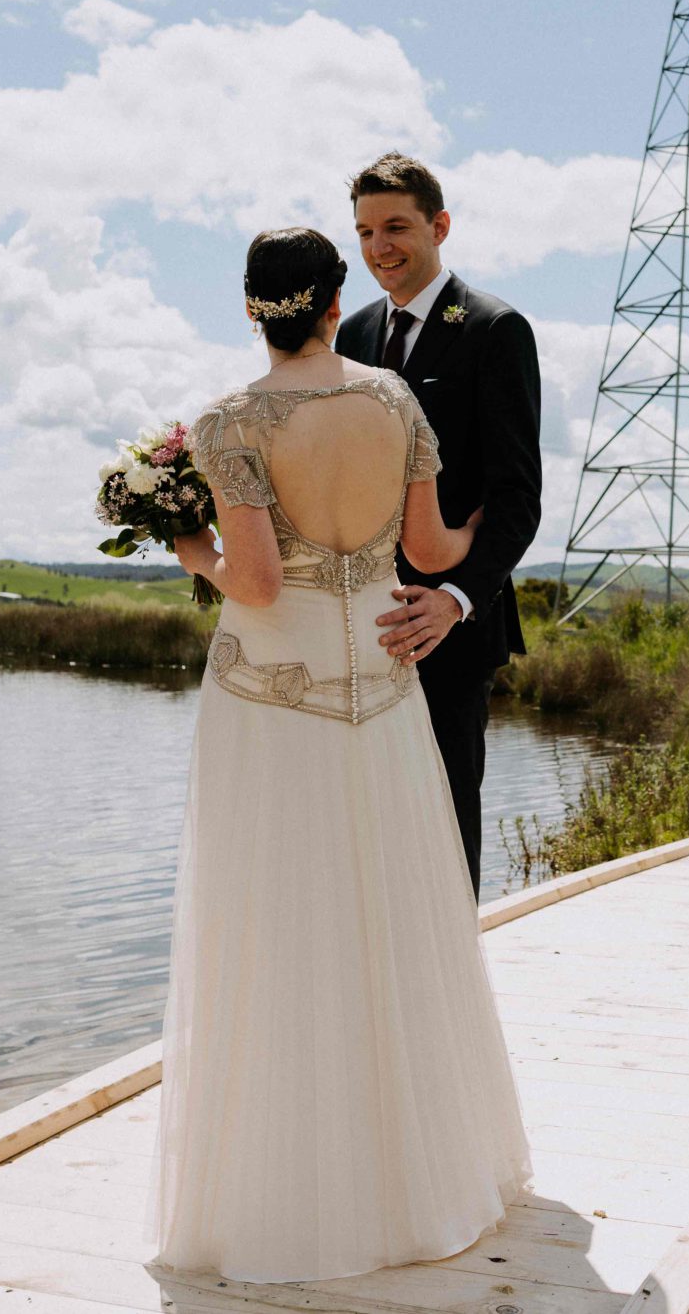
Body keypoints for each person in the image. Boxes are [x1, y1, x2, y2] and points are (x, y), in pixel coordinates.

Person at [152, 227, 530, 1284]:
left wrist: (191, 551)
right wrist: (489, 518)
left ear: (249, 308)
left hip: (271, 698)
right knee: (394, 911)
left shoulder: (231, 419)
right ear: (334, 302)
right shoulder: (396, 403)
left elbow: (260, 581)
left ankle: (281, 1185)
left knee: (274, 915)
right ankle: (424, 1172)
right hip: (379, 679)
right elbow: (438, 550)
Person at [334, 153, 545, 889]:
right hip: (364, 620)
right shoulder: (352, 334)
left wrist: (455, 599)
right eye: (364, 231)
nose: (378, 247)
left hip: (452, 626)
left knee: (446, 813)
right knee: (369, 816)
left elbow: (517, 496)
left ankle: (457, 989)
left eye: (395, 226)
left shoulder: (494, 328)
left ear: (439, 226)